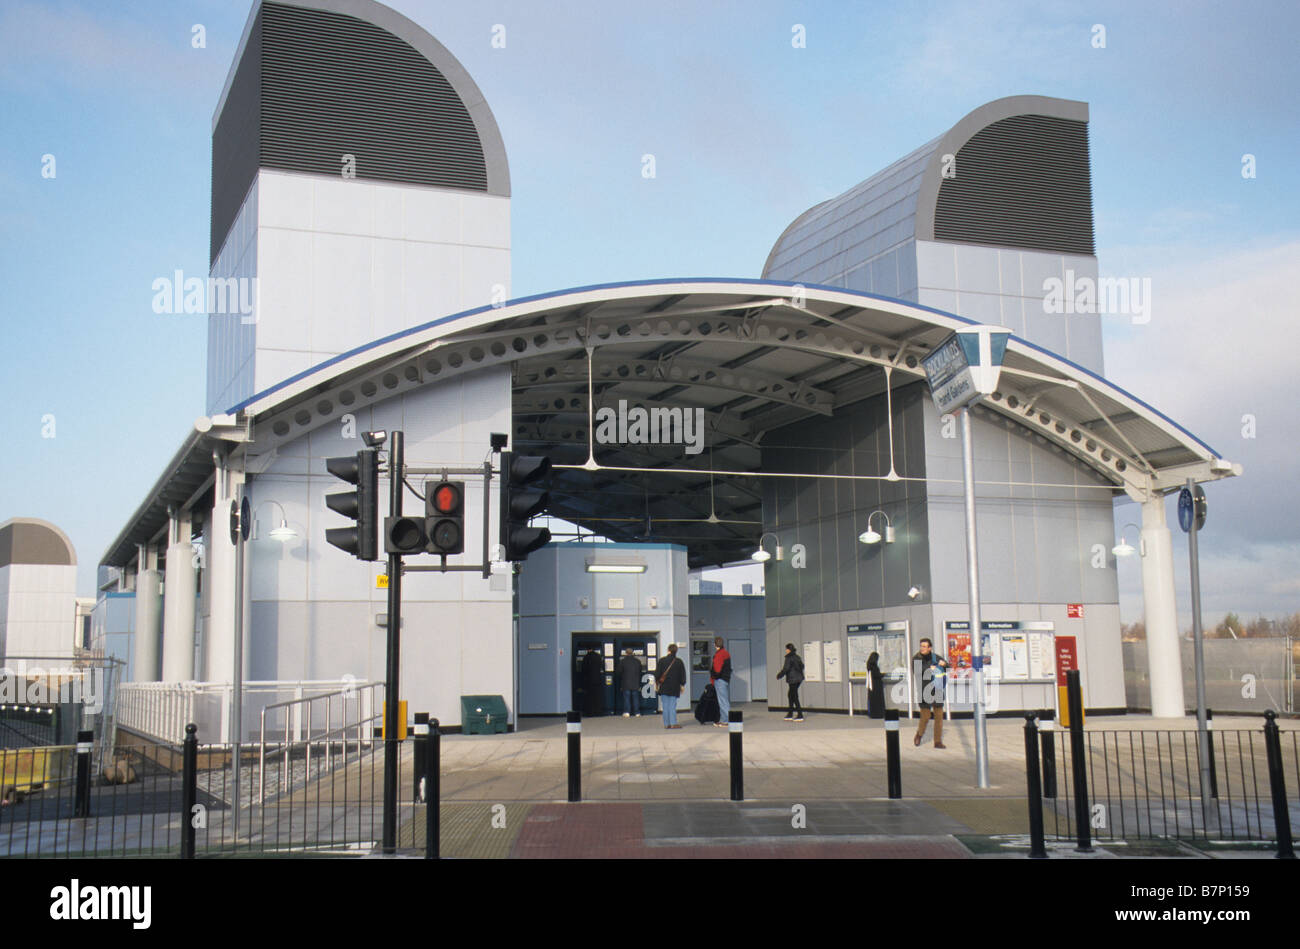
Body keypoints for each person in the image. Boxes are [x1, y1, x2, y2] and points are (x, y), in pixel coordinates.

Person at [912, 638, 949, 748]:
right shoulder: (916, 658)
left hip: (937, 689)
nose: (922, 648)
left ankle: (937, 741)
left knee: (939, 717)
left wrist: (945, 664)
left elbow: (948, 667)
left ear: (930, 648)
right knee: (926, 716)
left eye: (924, 646)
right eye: (921, 646)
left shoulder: (936, 657)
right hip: (924, 690)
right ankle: (919, 734)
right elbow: (918, 671)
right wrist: (930, 668)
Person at [655, 643, 686, 729]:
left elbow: (657, 674)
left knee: (665, 705)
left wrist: (657, 683)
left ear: (668, 650)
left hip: (664, 686)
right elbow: (682, 675)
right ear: (676, 651)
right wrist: (682, 685)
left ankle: (666, 724)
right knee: (672, 705)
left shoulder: (661, 661)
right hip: (674, 686)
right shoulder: (679, 662)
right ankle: (673, 723)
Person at [775, 643, 805, 721]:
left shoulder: (788, 658)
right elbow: (802, 666)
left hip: (793, 679)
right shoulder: (797, 657)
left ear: (789, 649)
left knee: (794, 696)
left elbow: (786, 668)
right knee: (790, 694)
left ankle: (800, 714)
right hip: (799, 679)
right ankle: (790, 713)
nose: (786, 650)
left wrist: (779, 675)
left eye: (786, 649)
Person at [710, 636, 732, 727]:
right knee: (723, 700)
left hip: (720, 680)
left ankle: (726, 720)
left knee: (723, 701)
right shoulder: (726, 653)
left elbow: (717, 670)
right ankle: (723, 719)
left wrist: (713, 676)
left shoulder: (719, 654)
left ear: (715, 644)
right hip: (725, 679)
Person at [618, 647, 643, 717]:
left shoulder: (622, 661)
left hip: (626, 683)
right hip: (635, 683)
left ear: (626, 653)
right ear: (633, 653)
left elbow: (619, 672)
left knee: (627, 698)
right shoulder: (637, 661)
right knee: (636, 698)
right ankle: (637, 712)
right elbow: (640, 671)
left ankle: (627, 712)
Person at [582, 647, 605, 717]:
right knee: (598, 697)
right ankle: (598, 712)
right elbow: (602, 667)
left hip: (589, 680)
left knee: (589, 697)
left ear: (588, 650)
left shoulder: (586, 657)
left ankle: (590, 713)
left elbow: (583, 669)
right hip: (598, 680)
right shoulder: (598, 656)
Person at [866, 651, 886, 719]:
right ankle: (878, 714)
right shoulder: (873, 666)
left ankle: (873, 713)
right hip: (876, 686)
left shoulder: (869, 665)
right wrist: (883, 674)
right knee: (878, 700)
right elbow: (877, 675)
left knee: (873, 700)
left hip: (872, 685)